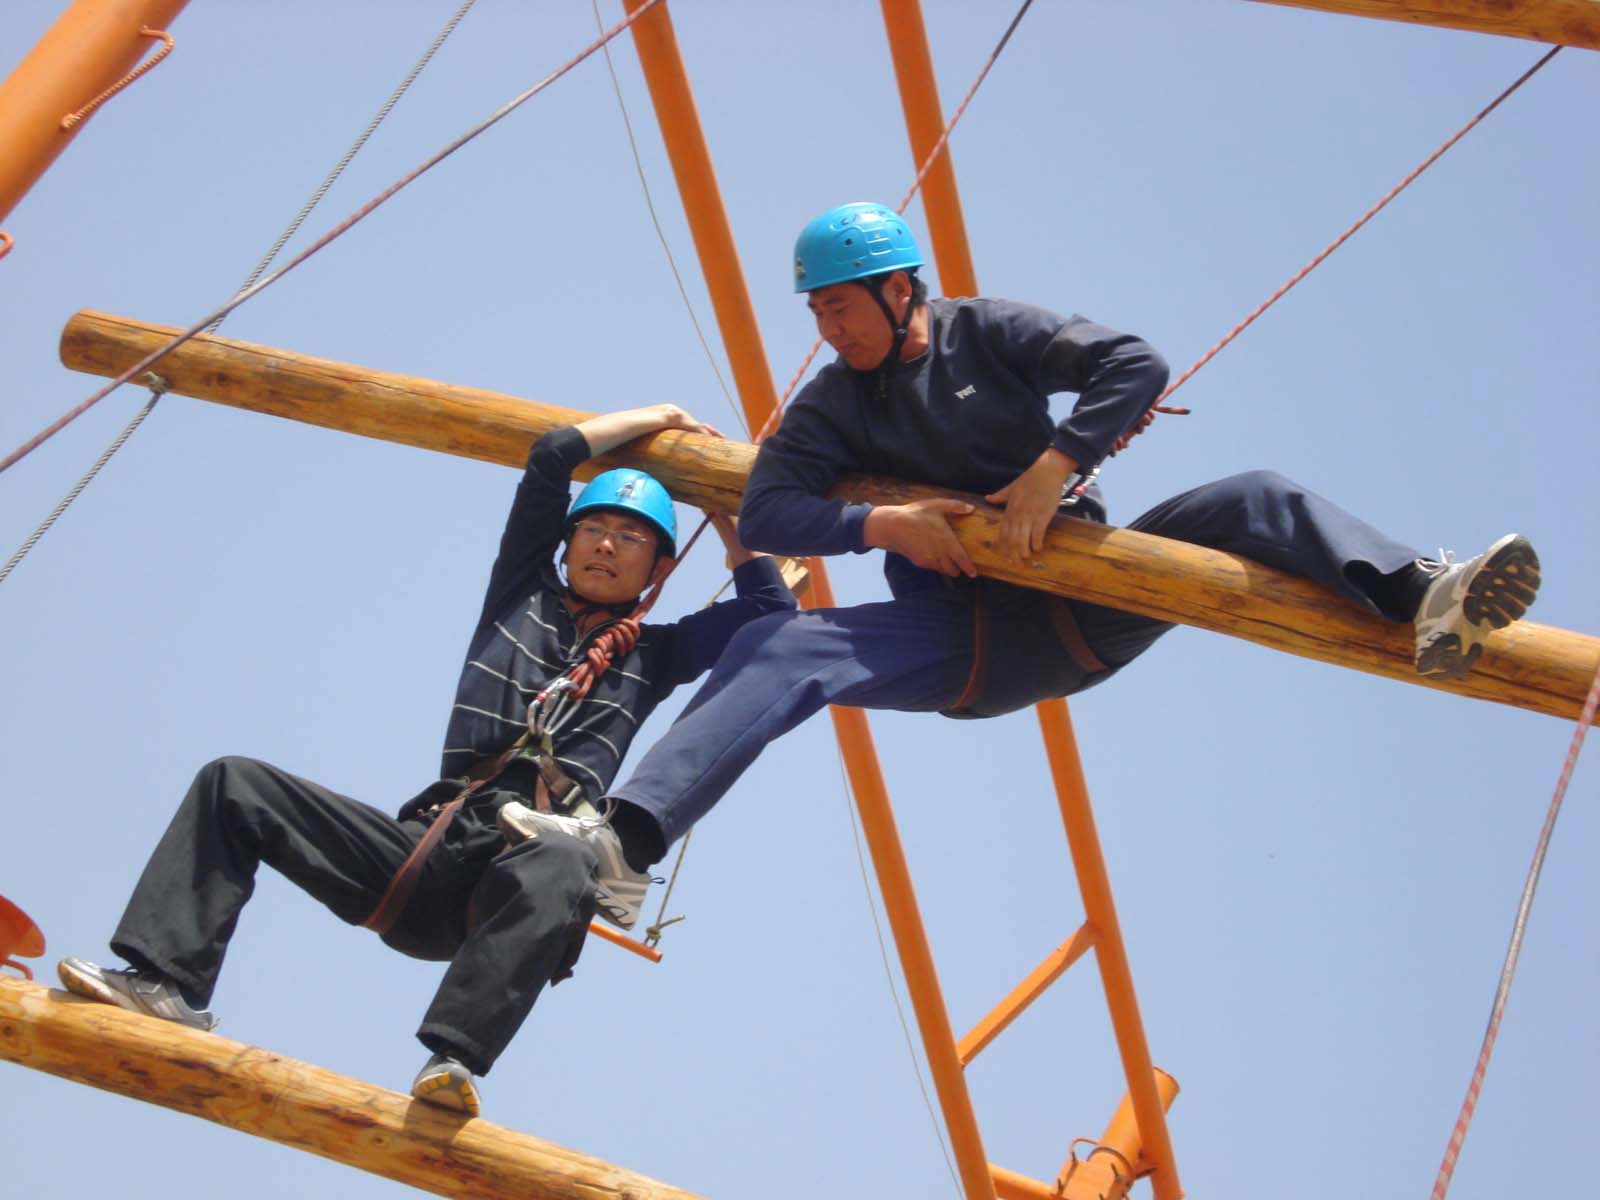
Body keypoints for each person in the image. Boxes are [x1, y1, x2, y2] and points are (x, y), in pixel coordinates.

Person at [526, 200, 1541, 892]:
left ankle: (1424, 599)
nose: (827, 327)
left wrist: (1055, 467)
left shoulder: (987, 332)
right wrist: (885, 526)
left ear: (898, 288)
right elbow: (773, 511)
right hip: (965, 635)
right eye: (816, 310)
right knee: (778, 644)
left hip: (1082, 600)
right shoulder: (834, 404)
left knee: (1255, 495)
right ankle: (626, 841)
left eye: (839, 304)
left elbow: (1133, 363)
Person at [56, 403, 797, 1116]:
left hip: (516, 884)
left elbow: (770, 613)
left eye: (629, 537)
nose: (605, 545)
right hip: (428, 852)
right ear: (567, 544)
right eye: (593, 529)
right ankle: (165, 981)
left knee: (568, 856)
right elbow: (552, 455)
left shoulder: (655, 656)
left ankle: (452, 1063)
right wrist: (660, 416)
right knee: (234, 785)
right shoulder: (521, 597)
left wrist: (722, 510)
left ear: (659, 567)